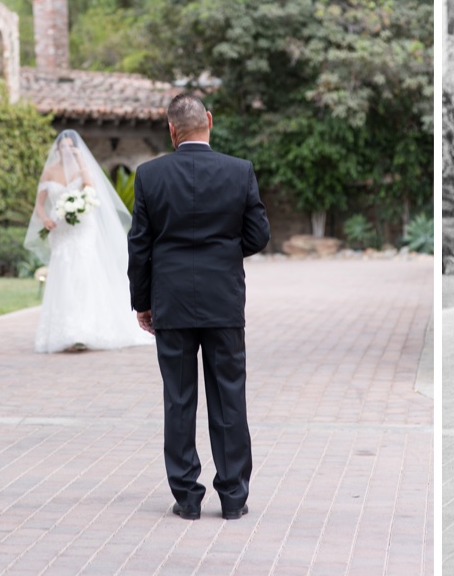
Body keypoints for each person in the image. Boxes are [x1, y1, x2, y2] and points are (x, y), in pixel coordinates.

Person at [127, 93, 270, 521]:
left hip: (170, 300)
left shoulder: (149, 175)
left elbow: (139, 246)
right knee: (229, 397)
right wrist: (224, 253)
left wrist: (142, 301)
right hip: (223, 299)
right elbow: (258, 235)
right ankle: (233, 498)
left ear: (171, 129)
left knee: (179, 399)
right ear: (209, 120)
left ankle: (187, 496)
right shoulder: (239, 170)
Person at [24, 130, 154, 353]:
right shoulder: (49, 171)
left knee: (83, 274)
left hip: (83, 228)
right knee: (63, 274)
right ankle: (65, 331)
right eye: (62, 147)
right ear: (57, 150)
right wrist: (45, 219)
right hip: (61, 230)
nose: (65, 151)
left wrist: (79, 159)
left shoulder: (82, 168)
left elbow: (91, 191)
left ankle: (84, 330)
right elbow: (40, 203)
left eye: (70, 147)